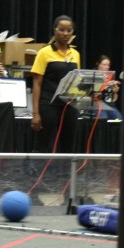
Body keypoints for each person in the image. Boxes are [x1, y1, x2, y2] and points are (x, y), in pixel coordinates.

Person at [31, 14, 80, 152]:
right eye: (62, 30)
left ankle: (65, 167)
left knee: (68, 146)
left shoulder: (75, 54)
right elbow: (37, 83)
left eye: (69, 30)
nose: (65, 34)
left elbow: (76, 82)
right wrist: (35, 113)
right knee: (43, 144)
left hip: (69, 105)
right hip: (48, 105)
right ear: (55, 30)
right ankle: (38, 167)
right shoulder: (44, 52)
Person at [92, 54, 122, 119]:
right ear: (98, 65)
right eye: (104, 65)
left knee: (119, 119)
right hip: (97, 103)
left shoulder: (109, 76)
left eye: (108, 65)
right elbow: (94, 95)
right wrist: (106, 84)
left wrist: (115, 92)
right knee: (103, 119)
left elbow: (113, 100)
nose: (107, 67)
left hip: (108, 104)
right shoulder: (93, 76)